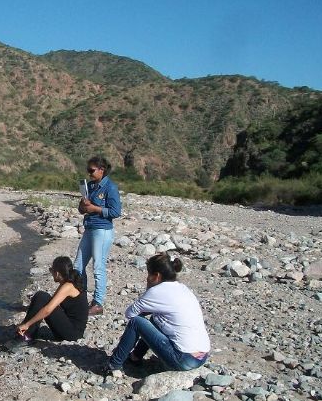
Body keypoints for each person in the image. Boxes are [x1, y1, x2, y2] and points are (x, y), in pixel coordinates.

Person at [107, 253, 210, 372]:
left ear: (156, 276)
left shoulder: (156, 291)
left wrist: (148, 291)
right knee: (156, 319)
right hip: (201, 356)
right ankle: (135, 356)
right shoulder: (183, 288)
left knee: (137, 322)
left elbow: (130, 314)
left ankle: (113, 365)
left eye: (149, 274)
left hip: (184, 359)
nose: (147, 278)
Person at [74, 156, 121, 315]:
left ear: (102, 170)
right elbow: (82, 210)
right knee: (78, 265)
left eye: (92, 170)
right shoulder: (91, 186)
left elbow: (115, 212)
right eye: (88, 170)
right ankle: (79, 297)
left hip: (102, 230)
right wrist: (83, 205)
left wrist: (94, 208)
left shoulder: (110, 188)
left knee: (98, 267)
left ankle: (98, 303)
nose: (89, 173)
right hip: (90, 228)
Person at [15, 256, 88, 344]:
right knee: (41, 297)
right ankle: (27, 332)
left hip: (73, 333)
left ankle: (27, 333)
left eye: (51, 270)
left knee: (42, 297)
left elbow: (48, 309)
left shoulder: (68, 286)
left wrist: (27, 324)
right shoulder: (67, 282)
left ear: (57, 273)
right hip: (69, 327)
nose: (51, 273)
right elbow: (50, 302)